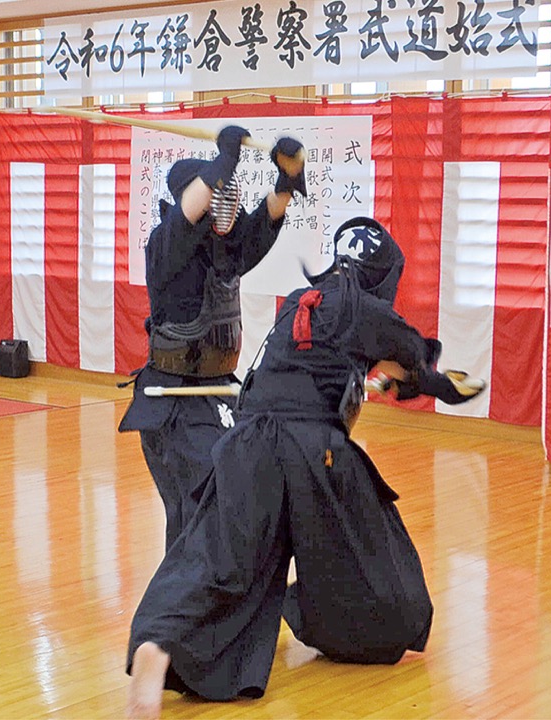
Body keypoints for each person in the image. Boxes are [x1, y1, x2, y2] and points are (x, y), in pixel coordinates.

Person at [124, 216, 484, 719]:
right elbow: (412, 367)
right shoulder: (370, 309)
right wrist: (443, 386)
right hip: (315, 452)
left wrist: (384, 379)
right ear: (381, 275)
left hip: (246, 442)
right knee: (373, 561)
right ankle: (317, 606)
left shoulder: (301, 301)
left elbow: (367, 369)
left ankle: (157, 644)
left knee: (216, 558)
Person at [117, 125, 306, 551]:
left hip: (218, 394)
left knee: (235, 496)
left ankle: (217, 595)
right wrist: (225, 158)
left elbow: (265, 220)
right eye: (215, 191)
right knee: (198, 512)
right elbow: (188, 215)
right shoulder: (166, 247)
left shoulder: (226, 252)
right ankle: (182, 605)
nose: (224, 201)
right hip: (173, 403)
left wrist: (287, 176)